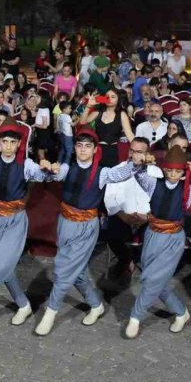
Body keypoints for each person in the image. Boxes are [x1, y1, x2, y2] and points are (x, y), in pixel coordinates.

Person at [34, 127, 142, 336]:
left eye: (87, 146)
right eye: (79, 145)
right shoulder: (68, 168)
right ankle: (95, 304)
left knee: (63, 270)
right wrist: (47, 167)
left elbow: (119, 174)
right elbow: (51, 176)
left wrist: (136, 163)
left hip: (86, 227)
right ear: (75, 148)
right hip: (65, 221)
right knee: (77, 270)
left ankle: (50, 313)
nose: (83, 150)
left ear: (94, 150)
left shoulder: (102, 172)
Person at [0, 118, 57, 326]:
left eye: (13, 143)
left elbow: (44, 177)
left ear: (18, 144)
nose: (8, 146)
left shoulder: (26, 164)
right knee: (6, 266)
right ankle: (23, 305)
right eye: (5, 142)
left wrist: (48, 168)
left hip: (15, 220)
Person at [121, 145, 191, 338]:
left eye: (178, 171)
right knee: (158, 281)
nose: (174, 174)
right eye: (170, 170)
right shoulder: (154, 183)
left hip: (173, 239)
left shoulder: (189, 188)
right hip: (152, 234)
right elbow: (139, 174)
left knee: (151, 279)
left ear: (183, 171)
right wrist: (141, 163)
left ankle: (135, 317)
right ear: (164, 169)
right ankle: (181, 312)